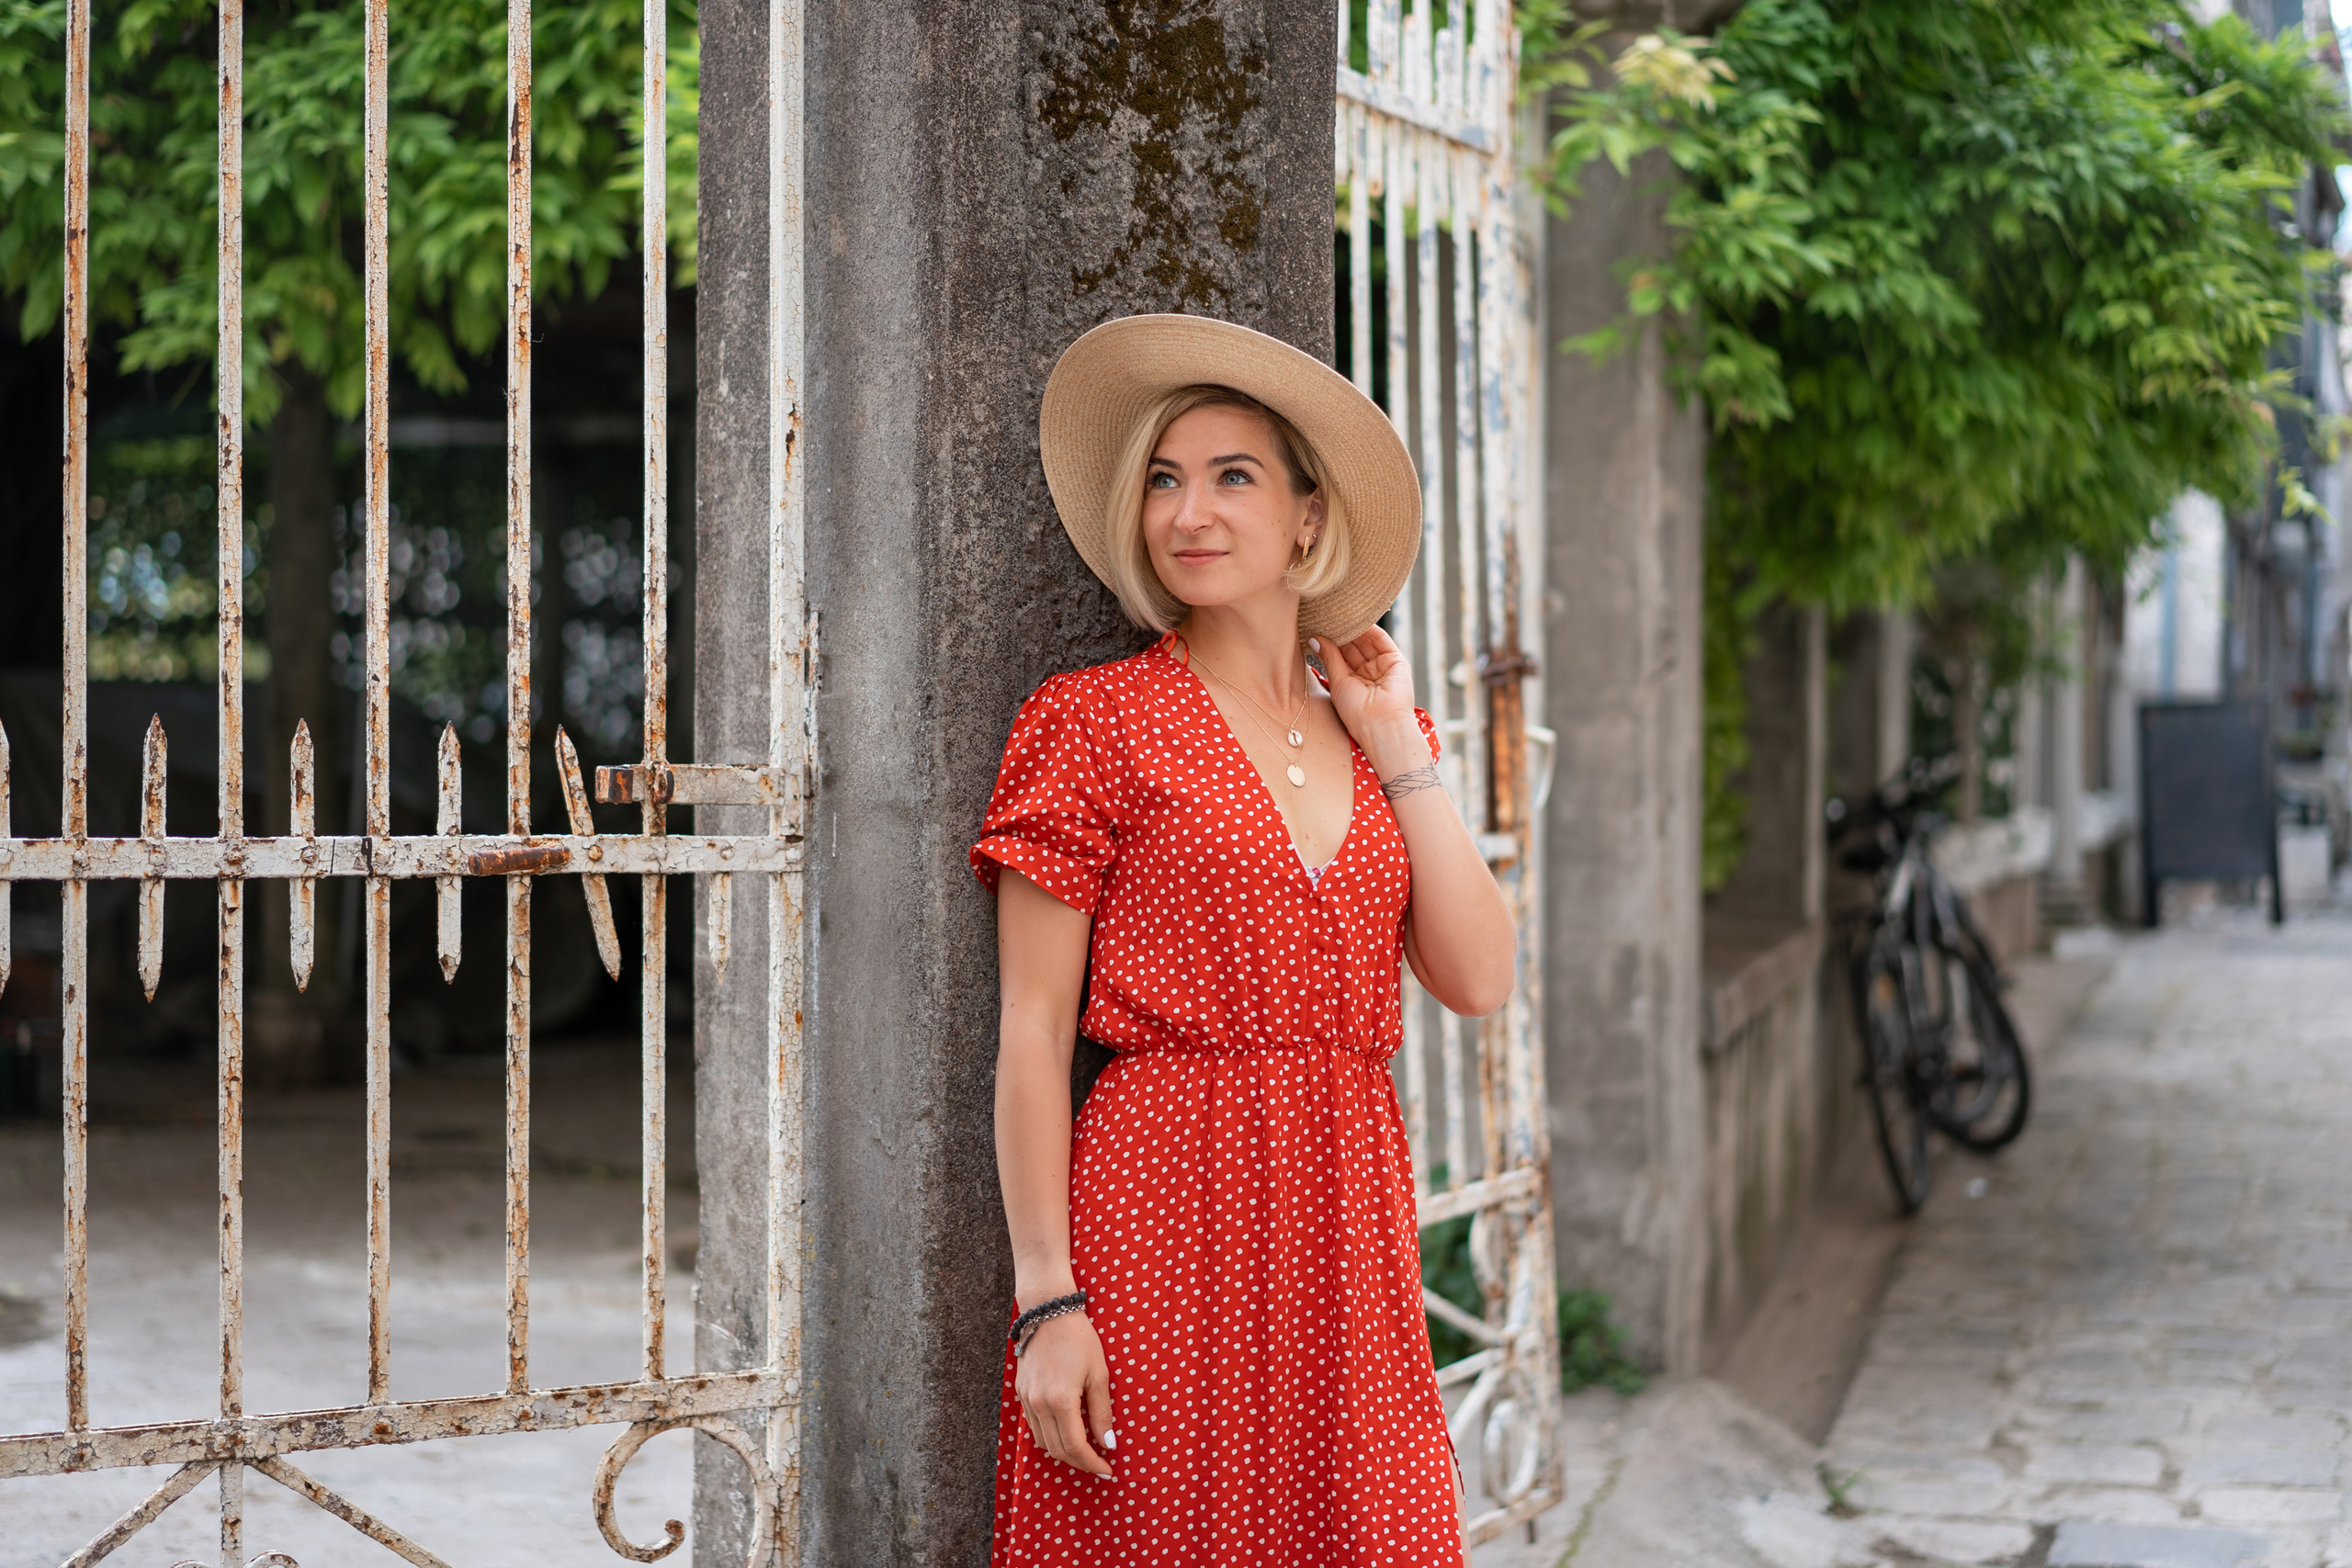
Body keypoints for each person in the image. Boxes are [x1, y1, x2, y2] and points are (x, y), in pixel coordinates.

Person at [974, 313, 1517, 1566]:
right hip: (1158, 1213)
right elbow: (1033, 1027)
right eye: (1163, 480)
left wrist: (1397, 748)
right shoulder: (1091, 721)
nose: (1188, 514)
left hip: (1348, 1225)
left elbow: (1479, 978)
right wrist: (1046, 1295)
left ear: (1308, 516)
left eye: (1232, 477)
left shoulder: (1379, 731)